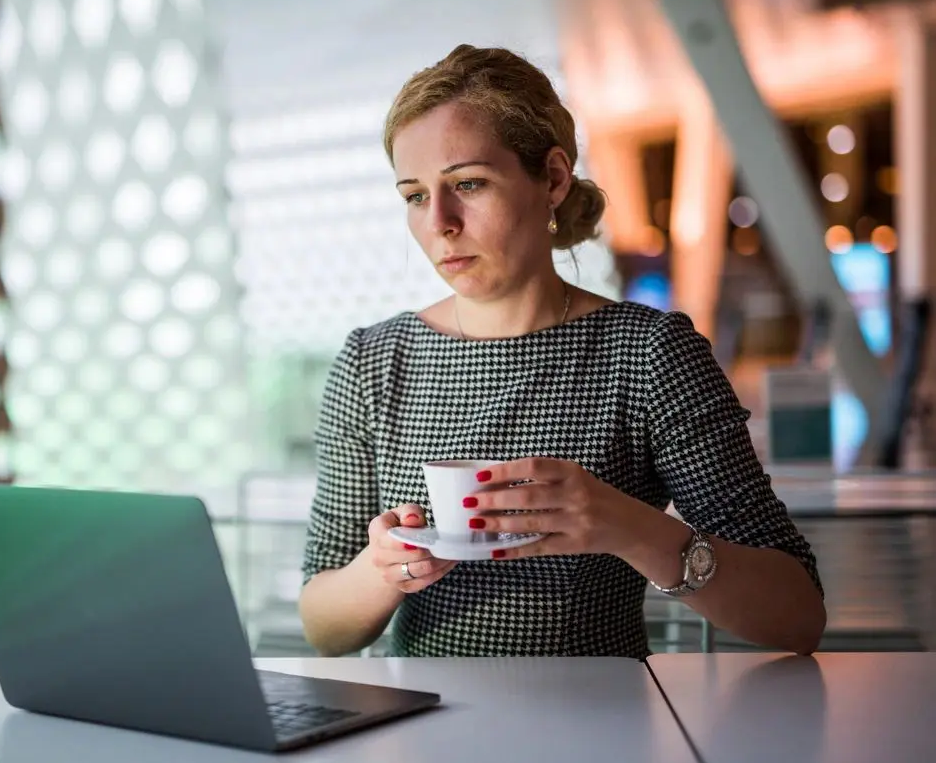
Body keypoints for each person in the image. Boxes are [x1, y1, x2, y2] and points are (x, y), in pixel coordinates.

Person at [297, 44, 826, 659]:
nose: (439, 220)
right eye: (414, 195)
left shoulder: (649, 353)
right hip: (426, 730)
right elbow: (322, 625)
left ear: (551, 177)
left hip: (602, 729)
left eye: (468, 183)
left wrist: (628, 526)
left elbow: (797, 615)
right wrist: (381, 572)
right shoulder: (372, 360)